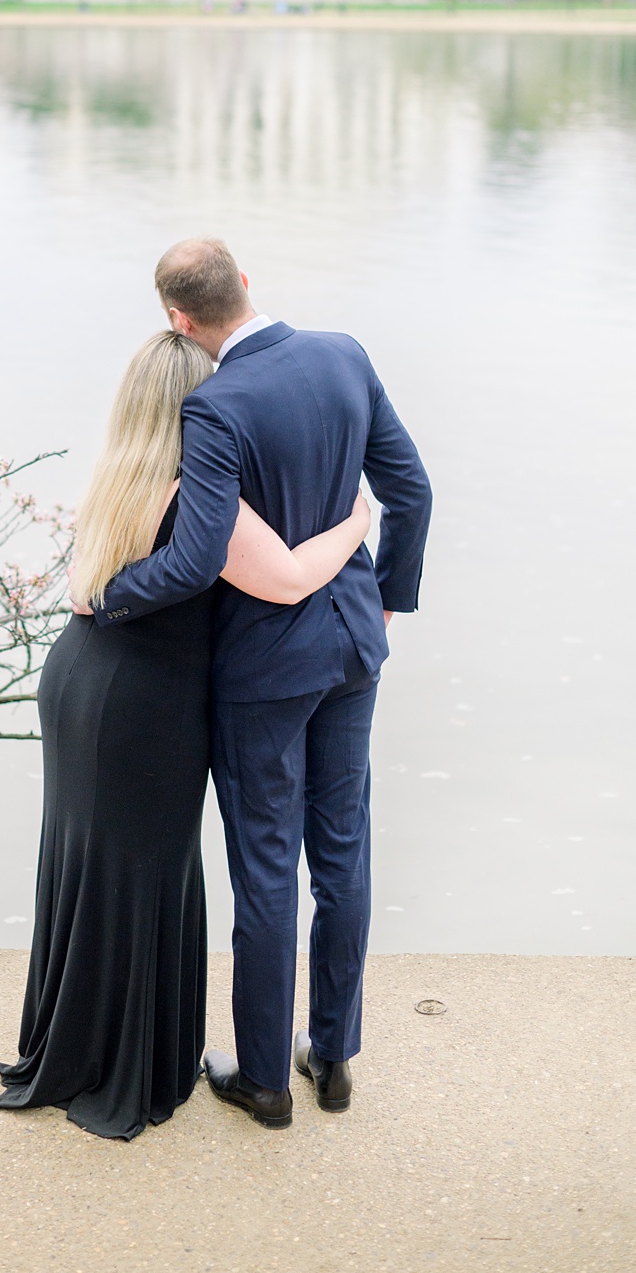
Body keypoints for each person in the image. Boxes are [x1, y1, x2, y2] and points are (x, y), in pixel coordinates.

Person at [87, 238, 432, 1129]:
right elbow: (413, 491)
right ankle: (336, 1057)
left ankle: (266, 1082)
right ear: (246, 283)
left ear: (178, 319)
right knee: (344, 854)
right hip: (355, 645)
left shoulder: (215, 408)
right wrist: (388, 596)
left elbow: (198, 561)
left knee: (268, 872)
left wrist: (108, 596)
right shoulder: (345, 354)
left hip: (268, 673)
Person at [0, 330, 373, 1140]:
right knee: (145, 879)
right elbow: (290, 578)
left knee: (89, 870)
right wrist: (354, 522)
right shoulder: (204, 496)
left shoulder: (115, 478)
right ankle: (126, 1065)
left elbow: (82, 588)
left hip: (79, 682)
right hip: (147, 707)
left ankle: (73, 1047)